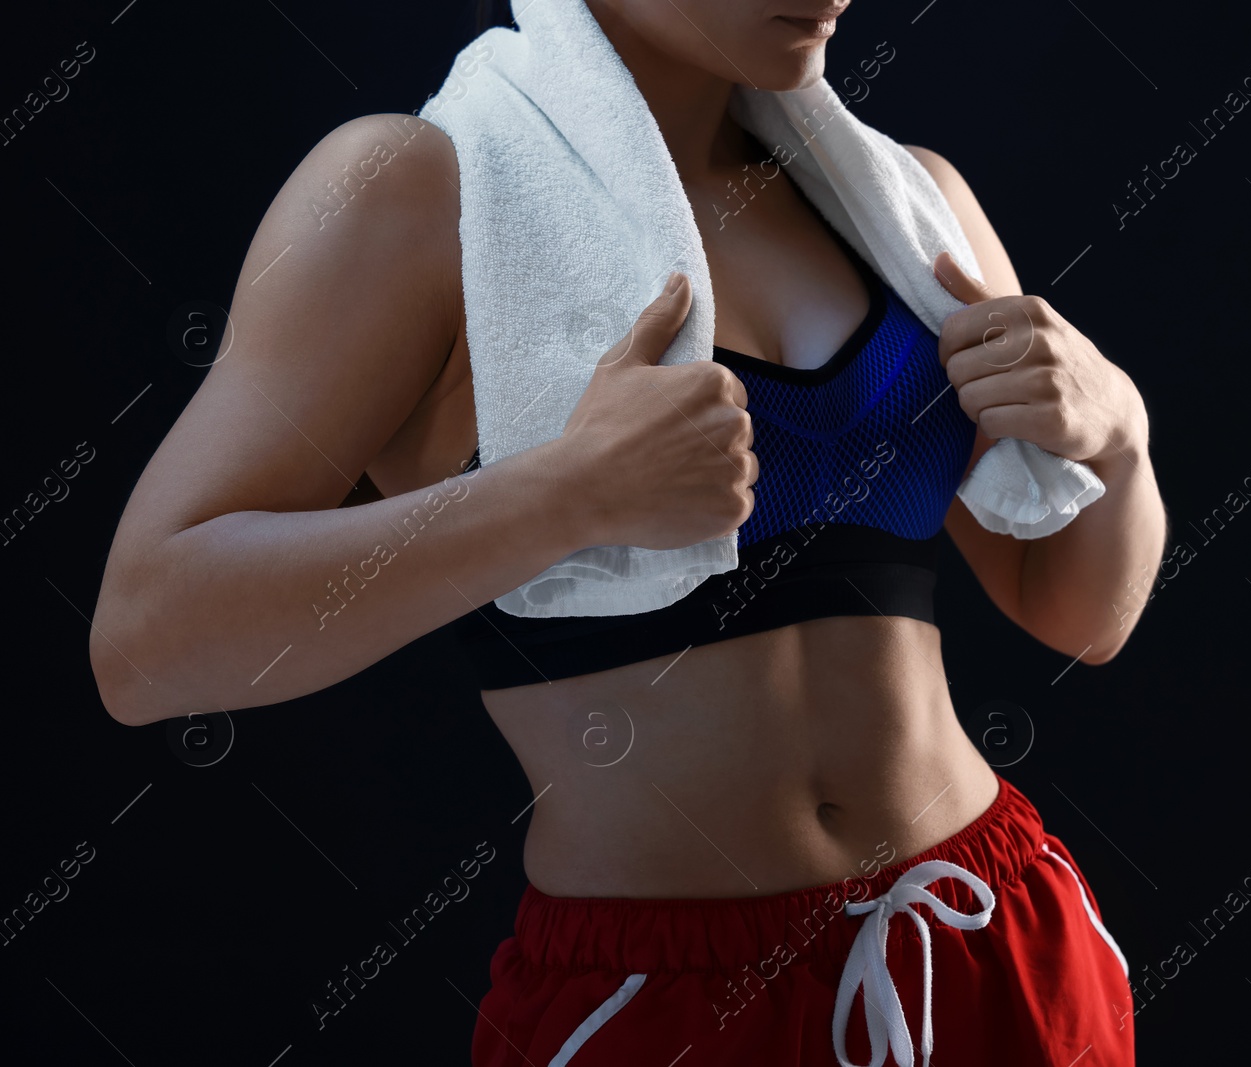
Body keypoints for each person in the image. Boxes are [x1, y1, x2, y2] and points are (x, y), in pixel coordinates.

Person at [89, 1, 1167, 1063]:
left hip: (985, 932)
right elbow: (145, 641)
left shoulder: (906, 201)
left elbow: (1077, 613)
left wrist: (1120, 436)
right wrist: (565, 496)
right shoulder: (418, 189)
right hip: (664, 999)